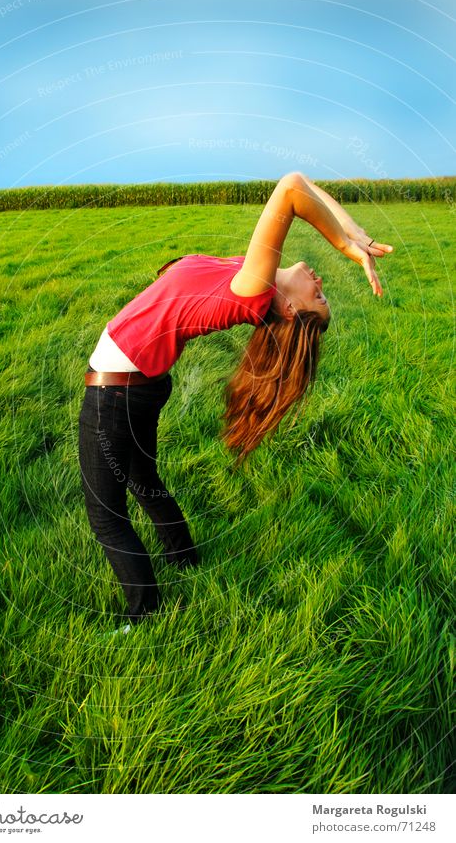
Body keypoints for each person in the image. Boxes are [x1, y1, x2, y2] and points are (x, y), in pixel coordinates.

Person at [78, 170, 394, 634]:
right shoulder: (252, 276)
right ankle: (184, 560)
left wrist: (344, 247)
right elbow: (301, 183)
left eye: (319, 296)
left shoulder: (252, 290)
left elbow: (287, 190)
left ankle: (142, 616)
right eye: (325, 293)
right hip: (134, 385)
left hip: (117, 390)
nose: (320, 282)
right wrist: (352, 231)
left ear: (289, 310)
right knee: (142, 476)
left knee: (104, 513)